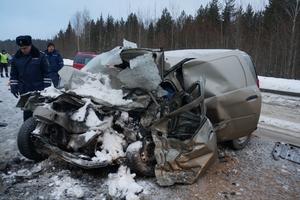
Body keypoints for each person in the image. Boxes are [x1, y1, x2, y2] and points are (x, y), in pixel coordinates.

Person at [10, 35, 51, 121]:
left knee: (40, 113)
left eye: (25, 48)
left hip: (38, 91)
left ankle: (40, 131)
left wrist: (47, 89)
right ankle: (27, 132)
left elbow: (47, 74)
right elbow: (13, 74)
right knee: (27, 114)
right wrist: (13, 86)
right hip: (24, 91)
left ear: (30, 45)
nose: (23, 50)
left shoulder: (40, 56)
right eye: (22, 48)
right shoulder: (16, 58)